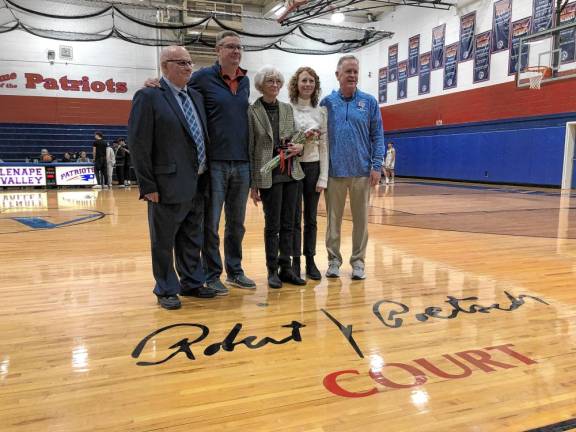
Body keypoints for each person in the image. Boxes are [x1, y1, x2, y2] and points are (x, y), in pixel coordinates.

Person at [145, 30, 255, 293]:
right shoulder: (202, 78)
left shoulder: (246, 80)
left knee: (236, 224)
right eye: (230, 46)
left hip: (241, 162)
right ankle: (211, 273)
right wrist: (155, 82)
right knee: (210, 225)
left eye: (239, 47)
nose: (235, 51)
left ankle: (235, 271)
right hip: (214, 163)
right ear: (218, 50)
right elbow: (174, 92)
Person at [128, 45, 217, 310]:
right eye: (181, 63)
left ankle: (191, 282)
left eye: (190, 63)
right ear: (165, 66)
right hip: (165, 185)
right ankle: (166, 288)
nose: (188, 67)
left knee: (191, 237)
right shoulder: (148, 96)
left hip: (198, 181)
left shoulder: (196, 97)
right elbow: (138, 143)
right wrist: (147, 185)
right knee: (163, 240)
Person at [321, 55, 385, 280]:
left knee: (361, 222)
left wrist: (377, 165)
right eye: (348, 71)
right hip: (334, 172)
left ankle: (358, 262)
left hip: (361, 172)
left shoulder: (369, 102)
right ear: (338, 75)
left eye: (355, 71)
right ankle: (333, 261)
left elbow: (377, 136)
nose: (352, 75)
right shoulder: (327, 103)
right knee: (333, 222)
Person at [249, 66, 306, 289]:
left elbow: (294, 137)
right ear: (261, 85)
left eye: (277, 81)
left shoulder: (287, 109)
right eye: (270, 81)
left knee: (290, 225)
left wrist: (298, 147)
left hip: (291, 174)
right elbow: (251, 147)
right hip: (268, 176)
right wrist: (253, 184)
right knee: (272, 226)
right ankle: (272, 270)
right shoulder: (252, 111)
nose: (274, 85)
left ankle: (287, 268)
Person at [288, 66, 328, 280]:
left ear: (316, 85)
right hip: (293, 167)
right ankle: (294, 262)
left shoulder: (321, 111)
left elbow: (324, 145)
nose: (307, 84)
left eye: (311, 81)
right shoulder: (288, 108)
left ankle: (310, 260)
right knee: (294, 218)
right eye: (304, 80)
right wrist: (300, 140)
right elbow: (285, 140)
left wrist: (323, 176)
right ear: (297, 84)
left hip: (313, 167)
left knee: (311, 218)